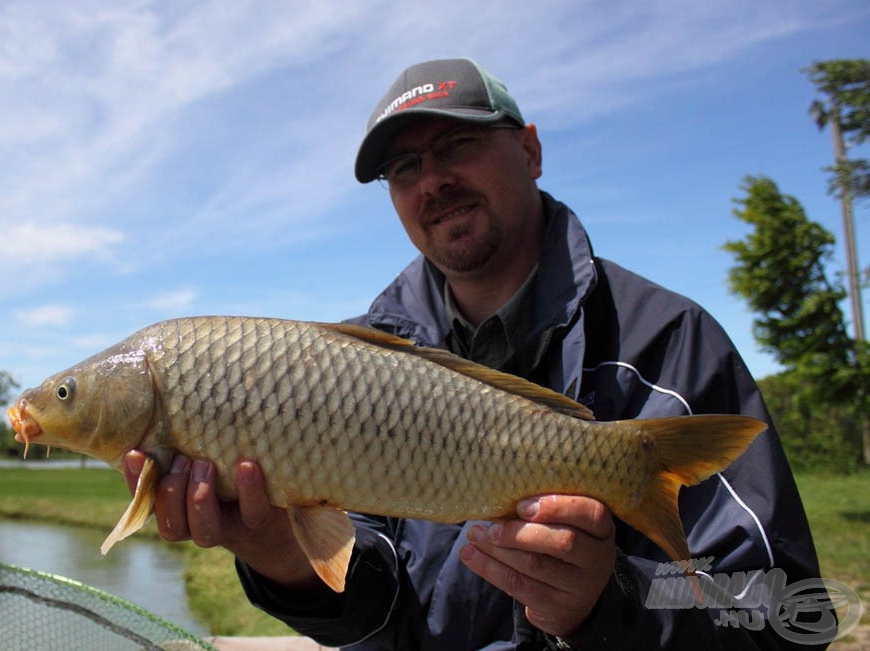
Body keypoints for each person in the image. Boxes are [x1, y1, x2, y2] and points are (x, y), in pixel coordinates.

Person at [123, 58, 827, 649]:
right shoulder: (342, 370)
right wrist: (283, 555)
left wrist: (607, 601)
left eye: (457, 145)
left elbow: (788, 607)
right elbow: (385, 613)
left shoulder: (670, 342)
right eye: (404, 167)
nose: (432, 181)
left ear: (529, 150)